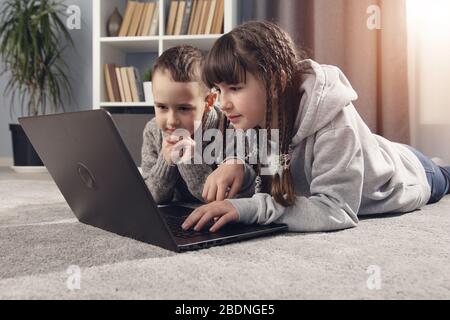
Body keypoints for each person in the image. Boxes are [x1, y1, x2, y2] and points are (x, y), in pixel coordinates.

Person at [181, 21, 450, 233]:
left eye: (235, 88)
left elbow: (337, 209)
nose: (223, 103)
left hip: (410, 172)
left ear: (275, 82)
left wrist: (249, 208)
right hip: (372, 150)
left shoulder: (333, 122)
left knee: (443, 175)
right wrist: (237, 164)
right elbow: (275, 184)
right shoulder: (255, 118)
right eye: (219, 89)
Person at [141, 45, 254, 204]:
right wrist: (165, 162)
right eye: (162, 107)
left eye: (184, 108)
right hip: (175, 214)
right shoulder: (153, 130)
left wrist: (190, 161)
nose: (172, 120)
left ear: (209, 101)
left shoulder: (230, 127)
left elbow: (226, 199)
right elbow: (151, 198)